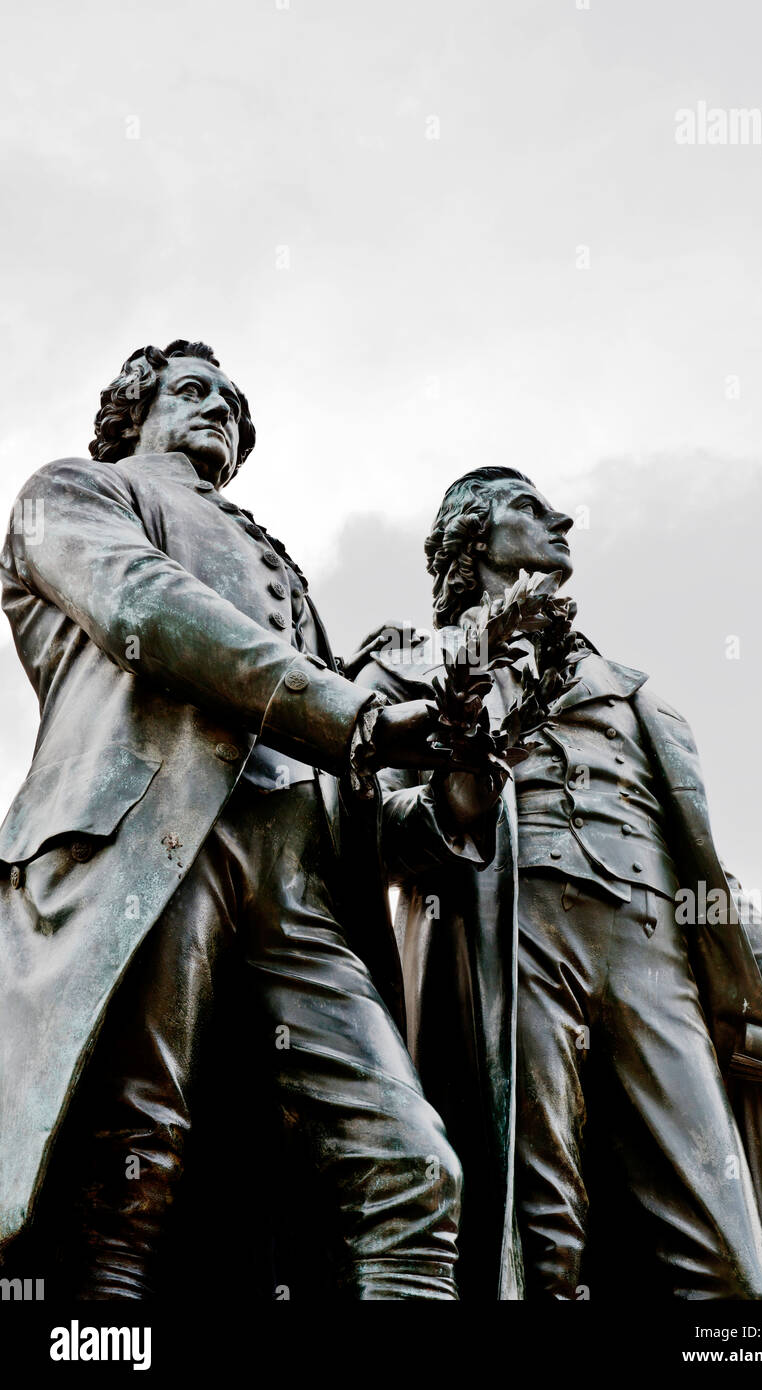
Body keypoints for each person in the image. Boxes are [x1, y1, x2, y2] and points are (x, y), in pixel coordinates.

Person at [0, 340, 480, 1300]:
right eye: (192, 390)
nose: (221, 408)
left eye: (234, 400)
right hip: (139, 847)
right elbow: (152, 608)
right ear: (132, 410)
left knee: (415, 1170)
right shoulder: (73, 494)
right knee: (123, 1172)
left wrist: (468, 767)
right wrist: (355, 716)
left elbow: (359, 790)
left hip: (301, 887)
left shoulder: (282, 569)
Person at [355, 464, 762, 1300]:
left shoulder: (634, 696)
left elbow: (710, 883)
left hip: (653, 955)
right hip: (506, 941)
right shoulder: (404, 667)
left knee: (732, 1262)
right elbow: (358, 828)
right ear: (470, 539)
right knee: (539, 1239)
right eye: (529, 507)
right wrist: (455, 801)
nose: (561, 521)